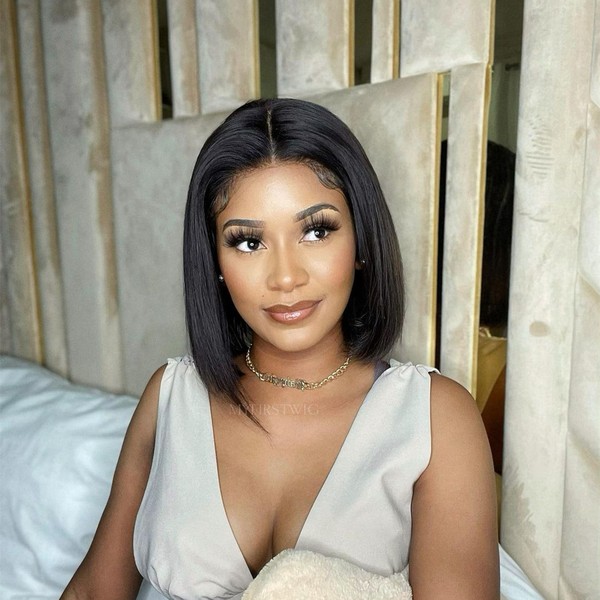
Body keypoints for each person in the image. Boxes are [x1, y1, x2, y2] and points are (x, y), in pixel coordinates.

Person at [61, 98, 499, 599]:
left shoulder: (433, 417)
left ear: (360, 243)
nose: (286, 277)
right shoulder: (171, 397)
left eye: (316, 231)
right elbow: (92, 592)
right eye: (248, 242)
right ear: (216, 263)